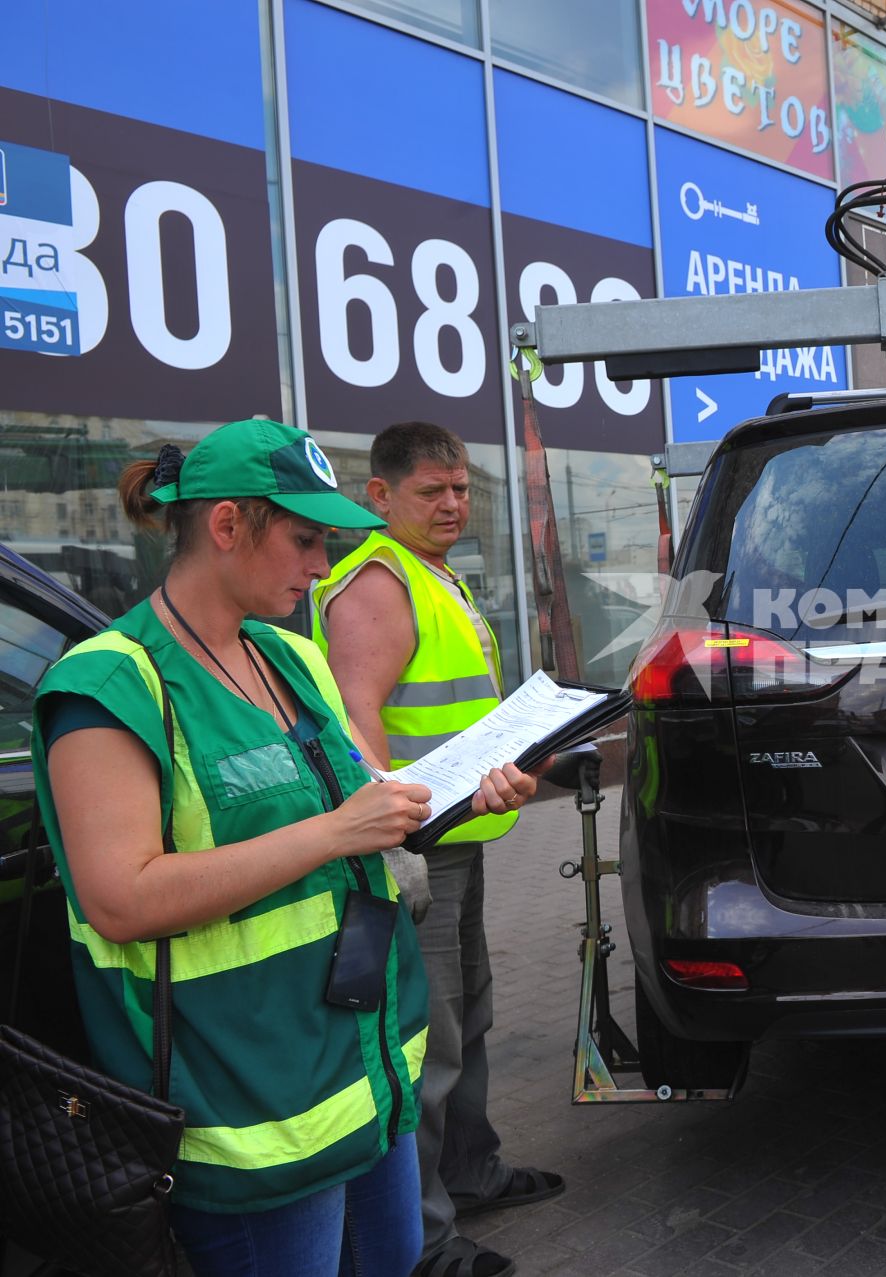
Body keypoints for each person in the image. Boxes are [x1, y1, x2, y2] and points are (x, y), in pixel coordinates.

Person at [31, 419, 535, 1277]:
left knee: (393, 1256)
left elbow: (366, 794)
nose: (320, 562)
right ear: (226, 526)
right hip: (248, 1110)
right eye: (304, 538)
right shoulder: (110, 684)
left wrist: (456, 791)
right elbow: (120, 896)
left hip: (362, 1070)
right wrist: (335, 831)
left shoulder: (290, 655)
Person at [311, 422, 563, 1277]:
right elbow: (358, 719)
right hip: (420, 852)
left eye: (459, 487)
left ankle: (472, 1169)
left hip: (459, 837)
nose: (453, 503)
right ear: (379, 496)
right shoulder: (378, 585)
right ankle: (422, 1241)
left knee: (471, 1018)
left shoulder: (430, 574)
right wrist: (392, 843)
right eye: (431, 491)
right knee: (428, 1041)